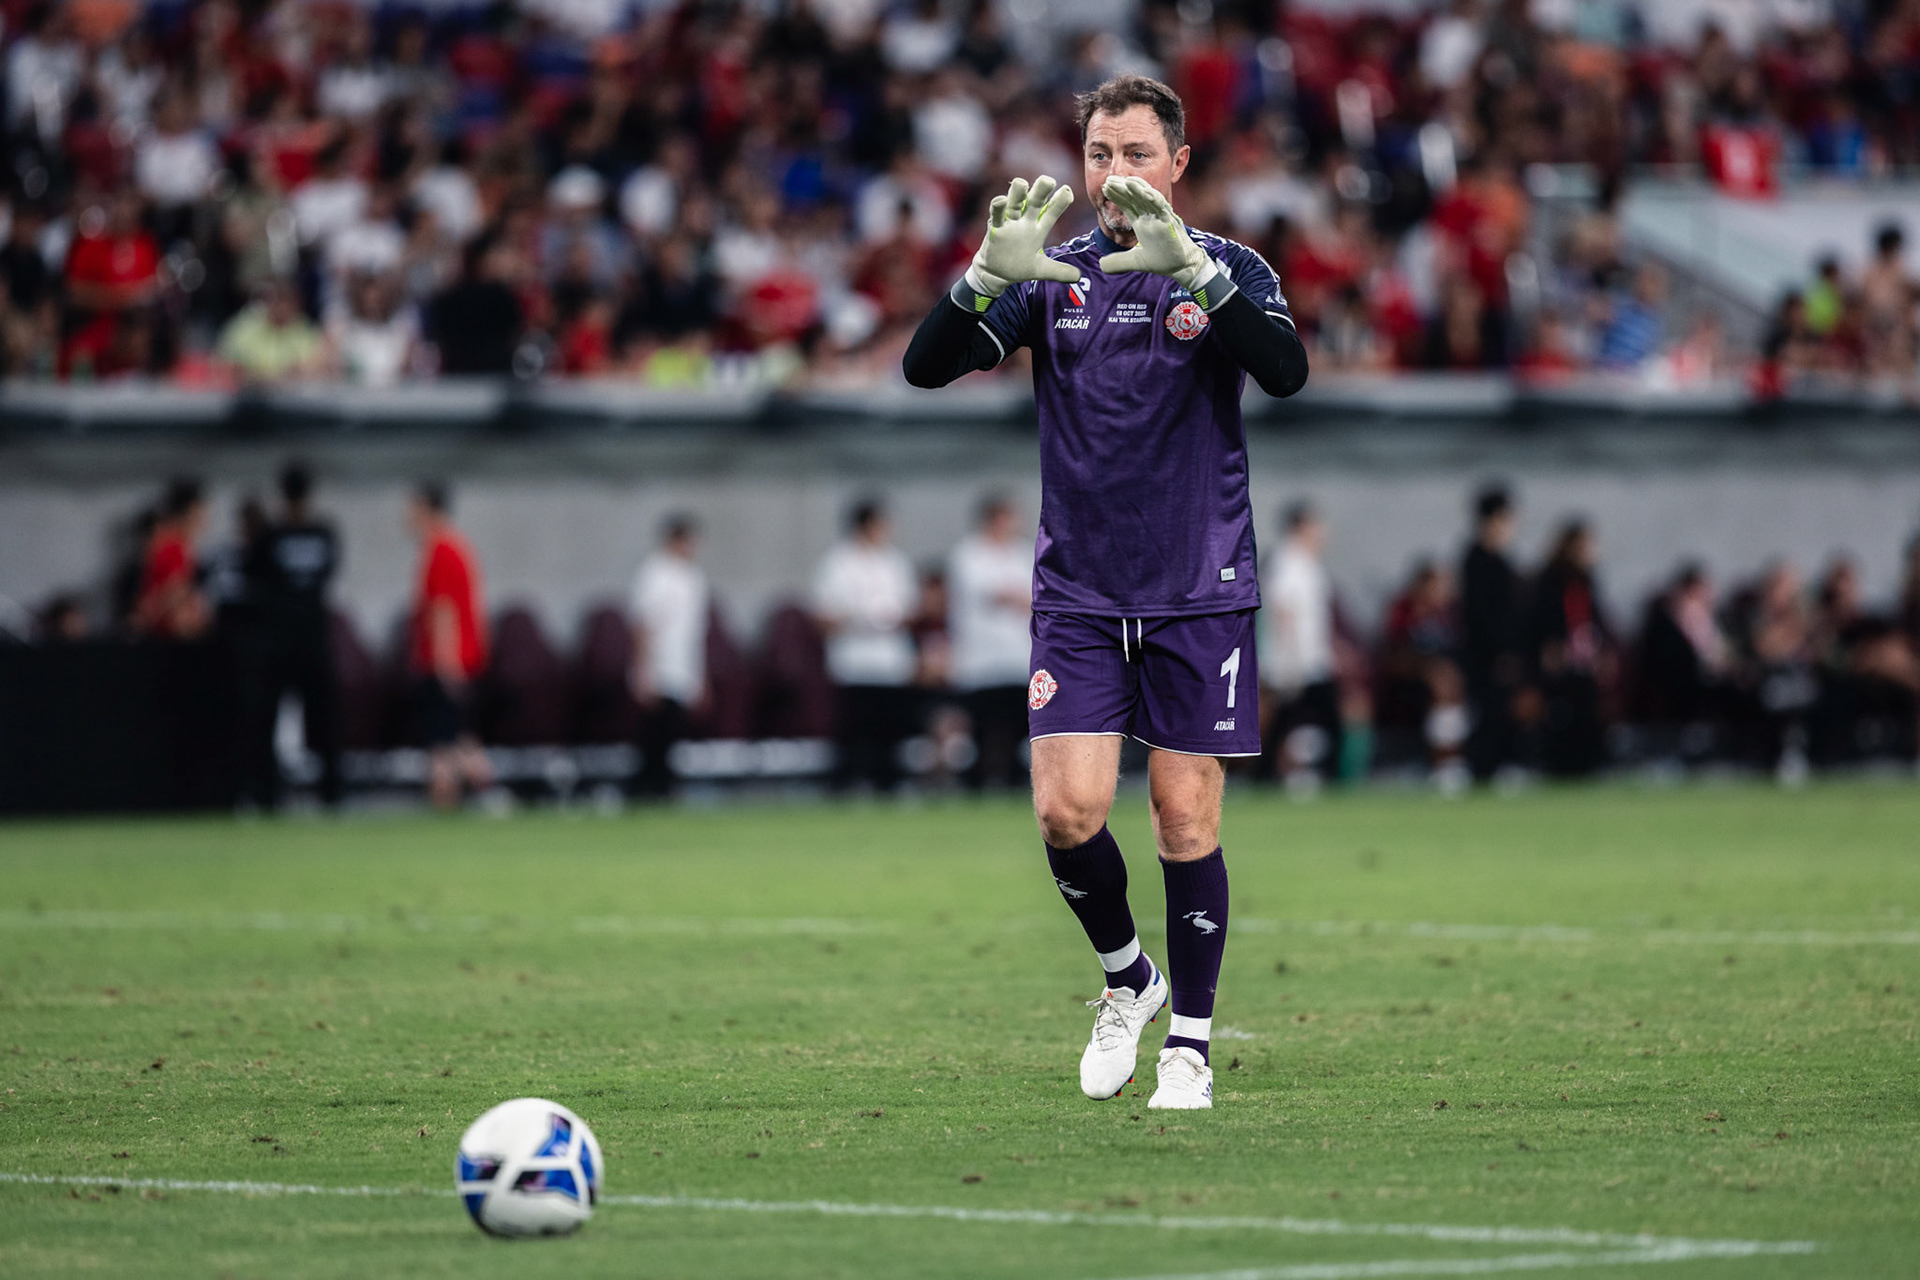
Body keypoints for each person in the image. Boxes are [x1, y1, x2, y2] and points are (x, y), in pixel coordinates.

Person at [902, 74, 1308, 1110]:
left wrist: (1205, 279)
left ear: (1177, 164)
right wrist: (979, 279)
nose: (1113, 173)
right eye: (1098, 153)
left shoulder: (1231, 265)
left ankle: (1193, 1047)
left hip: (1198, 587)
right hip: (1079, 591)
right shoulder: (1052, 272)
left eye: (1135, 153)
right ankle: (1130, 977)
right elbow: (924, 368)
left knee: (1183, 814)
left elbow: (1288, 371)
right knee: (1065, 809)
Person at [250, 463, 343, 809]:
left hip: (281, 642)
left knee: (272, 722)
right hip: (312, 641)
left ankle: (267, 796)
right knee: (322, 721)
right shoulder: (324, 534)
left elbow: (254, 579)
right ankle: (331, 794)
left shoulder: (270, 537)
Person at [812, 499, 919, 793]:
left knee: (889, 734)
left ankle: (888, 788)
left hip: (889, 663)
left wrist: (891, 619)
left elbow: (910, 611)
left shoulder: (895, 562)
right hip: (853, 663)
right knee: (852, 734)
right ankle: (844, 789)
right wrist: (855, 619)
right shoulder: (837, 563)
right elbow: (822, 616)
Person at [407, 481, 491, 811]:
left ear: (429, 509)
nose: (408, 516)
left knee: (442, 742)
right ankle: (485, 791)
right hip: (455, 657)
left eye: (413, 509)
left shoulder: (442, 549)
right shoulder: (454, 547)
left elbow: (444, 610)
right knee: (460, 736)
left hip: (446, 660)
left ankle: (447, 802)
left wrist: (445, 662)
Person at [947, 495, 1034, 790]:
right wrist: (1020, 598)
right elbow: (995, 593)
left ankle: (1011, 774)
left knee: (1017, 721)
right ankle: (981, 777)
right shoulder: (969, 554)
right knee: (985, 723)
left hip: (1018, 656)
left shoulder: (1023, 553)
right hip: (981, 658)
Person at [1257, 501, 1339, 789]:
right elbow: (1283, 613)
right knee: (1314, 717)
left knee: (1290, 719)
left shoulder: (1307, 562)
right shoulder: (1286, 562)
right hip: (1295, 662)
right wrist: (1289, 661)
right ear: (1300, 527)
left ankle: (1266, 775)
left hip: (1312, 658)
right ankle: (1327, 775)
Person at [628, 513, 710, 800]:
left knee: (673, 733)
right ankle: (646, 790)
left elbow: (695, 634)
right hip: (658, 668)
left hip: (681, 668)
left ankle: (665, 787)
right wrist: (642, 672)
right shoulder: (654, 574)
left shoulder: (693, 578)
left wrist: (700, 677)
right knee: (653, 735)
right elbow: (643, 627)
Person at [1460, 485, 1526, 781]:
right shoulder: (1476, 561)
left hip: (1502, 656)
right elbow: (1480, 617)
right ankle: (1482, 771)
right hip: (1484, 658)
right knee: (1488, 715)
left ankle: (1500, 766)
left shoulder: (1501, 562)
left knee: (1503, 715)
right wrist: (1501, 652)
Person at [132, 477, 210, 638]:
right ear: (192, 509)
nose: (206, 516)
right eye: (203, 509)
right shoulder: (174, 546)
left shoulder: (171, 543)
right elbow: (168, 598)